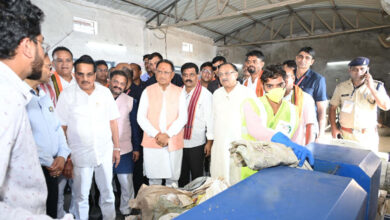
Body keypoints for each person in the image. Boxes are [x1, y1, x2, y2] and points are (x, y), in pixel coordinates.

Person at [0, 0, 72, 219]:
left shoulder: (13, 93)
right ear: (27, 46)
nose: (43, 51)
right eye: (41, 43)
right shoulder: (6, 99)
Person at [56, 55, 120, 220]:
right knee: (81, 197)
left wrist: (117, 148)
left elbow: (113, 122)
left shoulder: (105, 93)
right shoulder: (67, 95)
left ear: (95, 73)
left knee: (107, 194)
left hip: (104, 152)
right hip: (79, 155)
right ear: (75, 73)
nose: (85, 79)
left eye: (89, 74)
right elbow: (62, 128)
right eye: (80, 74)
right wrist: (67, 157)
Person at [239, 65, 314, 181]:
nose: (275, 90)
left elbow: (296, 140)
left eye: (279, 85)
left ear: (285, 84)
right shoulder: (251, 104)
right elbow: (257, 130)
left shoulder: (293, 110)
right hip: (253, 168)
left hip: (281, 170)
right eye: (270, 86)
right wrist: (284, 140)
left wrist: (297, 148)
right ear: (263, 86)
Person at [25, 53, 72, 218]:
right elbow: (24, 139)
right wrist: (51, 162)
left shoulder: (44, 97)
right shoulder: (20, 99)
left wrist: (62, 155)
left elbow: (57, 128)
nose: (52, 72)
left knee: (51, 211)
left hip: (53, 167)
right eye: (48, 67)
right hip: (34, 169)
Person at [137, 59, 187, 187]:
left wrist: (168, 134)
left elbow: (183, 118)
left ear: (172, 75)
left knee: (173, 180)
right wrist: (157, 134)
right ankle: (154, 207)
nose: (162, 75)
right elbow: (141, 118)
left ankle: (170, 206)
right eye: (159, 71)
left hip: (173, 141)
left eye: (166, 72)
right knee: (154, 180)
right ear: (155, 73)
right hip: (153, 141)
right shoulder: (147, 91)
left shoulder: (180, 92)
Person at [329, 57, 390, 154]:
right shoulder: (341, 87)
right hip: (346, 134)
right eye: (355, 69)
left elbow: (385, 106)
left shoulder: (377, 86)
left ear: (367, 70)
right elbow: (332, 108)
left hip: (367, 136)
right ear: (349, 70)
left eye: (362, 69)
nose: (359, 72)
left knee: (368, 165)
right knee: (347, 163)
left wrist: (371, 88)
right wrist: (333, 127)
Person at [211, 63, 256, 184]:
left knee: (238, 178)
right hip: (220, 142)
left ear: (236, 74)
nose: (224, 77)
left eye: (227, 73)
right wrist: (211, 139)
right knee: (219, 177)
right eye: (220, 74)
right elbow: (213, 118)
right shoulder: (216, 94)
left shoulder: (247, 93)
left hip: (240, 142)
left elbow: (255, 120)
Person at [109, 70, 140, 216]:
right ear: (110, 80)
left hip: (125, 149)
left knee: (126, 182)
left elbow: (134, 126)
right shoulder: (101, 98)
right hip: (104, 149)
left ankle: (127, 210)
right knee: (106, 184)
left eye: (122, 83)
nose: (118, 85)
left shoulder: (130, 101)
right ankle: (108, 212)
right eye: (116, 81)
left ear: (126, 85)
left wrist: (136, 148)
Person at [178, 63, 213, 187]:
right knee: (181, 175)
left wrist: (209, 142)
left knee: (197, 176)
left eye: (192, 74)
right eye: (185, 75)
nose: (188, 78)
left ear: (197, 75)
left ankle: (197, 202)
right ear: (181, 76)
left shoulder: (205, 94)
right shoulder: (178, 92)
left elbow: (210, 119)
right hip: (179, 142)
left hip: (197, 142)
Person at [294, 47, 327, 140]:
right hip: (290, 122)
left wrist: (321, 133)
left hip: (307, 125)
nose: (303, 60)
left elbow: (321, 109)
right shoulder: (289, 76)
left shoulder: (317, 79)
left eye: (307, 58)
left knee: (306, 152)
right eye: (300, 57)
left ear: (312, 62)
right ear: (296, 58)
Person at [283, 60, 316, 145]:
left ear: (293, 78)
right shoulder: (275, 96)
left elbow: (310, 126)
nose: (283, 79)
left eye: (286, 76)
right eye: (281, 76)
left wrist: (308, 149)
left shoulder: (305, 98)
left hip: (298, 146)